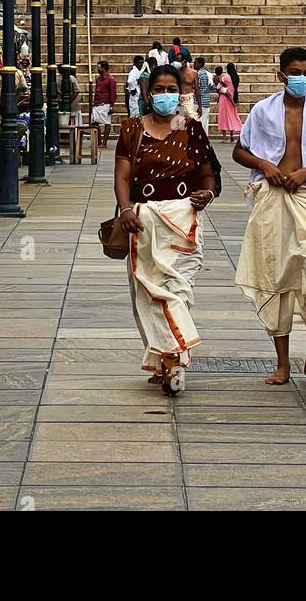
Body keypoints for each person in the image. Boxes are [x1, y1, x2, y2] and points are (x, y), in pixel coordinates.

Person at [234, 46, 306, 387]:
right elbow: (239, 151)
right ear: (281, 75)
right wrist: (264, 165)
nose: (301, 78)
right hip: (273, 199)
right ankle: (282, 363)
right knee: (276, 278)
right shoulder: (263, 111)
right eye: (295, 72)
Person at [114, 64, 219, 395]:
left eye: (169, 88)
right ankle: (166, 360)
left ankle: (174, 358)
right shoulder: (132, 129)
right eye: (158, 89)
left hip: (182, 220)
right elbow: (122, 176)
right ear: (148, 94)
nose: (164, 95)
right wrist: (126, 208)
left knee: (176, 291)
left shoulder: (190, 129)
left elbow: (207, 175)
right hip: (143, 221)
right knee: (146, 294)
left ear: (180, 92)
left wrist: (208, 193)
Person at [91, 60, 117, 147]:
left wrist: (112, 106)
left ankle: (104, 143)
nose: (97, 69)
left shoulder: (111, 80)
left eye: (99, 67)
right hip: (97, 103)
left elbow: (113, 93)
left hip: (105, 103)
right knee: (94, 123)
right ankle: (98, 142)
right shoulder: (98, 79)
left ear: (104, 68)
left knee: (107, 123)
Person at [215, 65, 242, 140]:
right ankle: (231, 134)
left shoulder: (225, 76)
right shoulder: (236, 77)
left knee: (223, 116)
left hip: (224, 98)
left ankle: (224, 137)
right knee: (232, 116)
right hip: (233, 98)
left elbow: (218, 87)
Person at [196, 56, 214, 134]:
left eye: (195, 63)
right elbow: (212, 86)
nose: (194, 65)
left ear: (200, 64)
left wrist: (199, 105)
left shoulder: (199, 74)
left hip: (201, 101)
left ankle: (200, 140)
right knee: (205, 121)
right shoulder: (207, 74)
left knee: (200, 122)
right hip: (206, 100)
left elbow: (198, 89)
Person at [126, 55, 145, 119]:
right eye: (140, 63)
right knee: (134, 114)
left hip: (138, 95)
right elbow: (130, 81)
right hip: (135, 95)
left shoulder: (139, 71)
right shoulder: (134, 71)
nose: (141, 64)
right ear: (135, 63)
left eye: (142, 62)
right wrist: (133, 89)